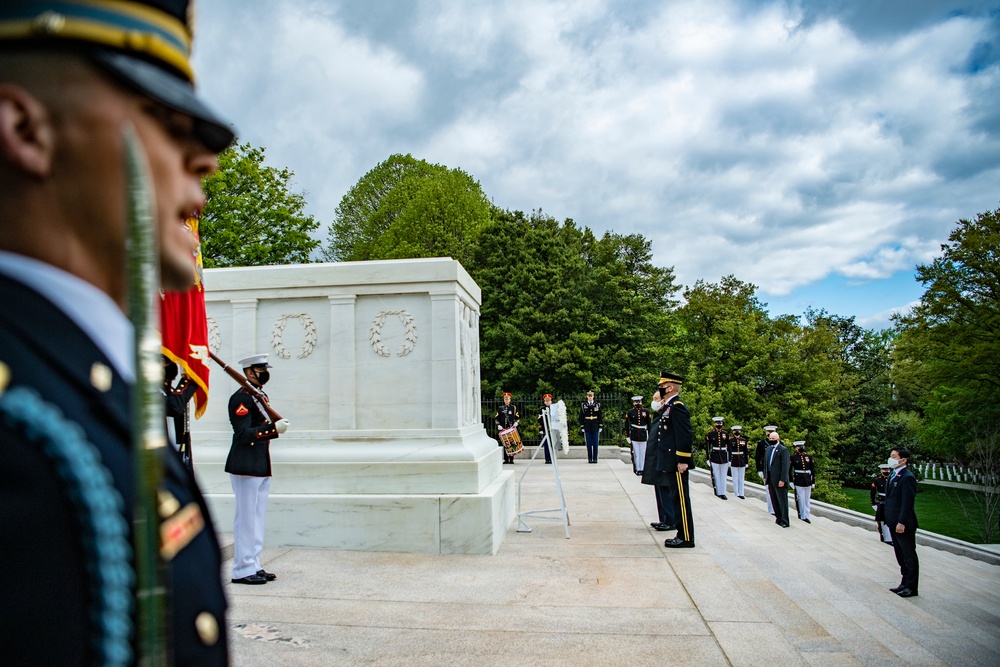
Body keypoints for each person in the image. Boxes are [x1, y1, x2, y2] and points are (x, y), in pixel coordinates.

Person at [0, 1, 235, 663]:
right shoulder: (22, 429)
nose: (207, 158)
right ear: (25, 128)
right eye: (162, 117)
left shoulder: (81, 377)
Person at [226, 354, 289, 585]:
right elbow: (242, 434)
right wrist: (273, 430)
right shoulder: (241, 398)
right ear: (249, 372)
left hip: (259, 464)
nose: (264, 372)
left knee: (257, 517)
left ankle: (253, 563)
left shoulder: (258, 395)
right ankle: (241, 569)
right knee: (246, 519)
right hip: (245, 465)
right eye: (260, 369)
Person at [655, 371, 695, 548]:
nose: (660, 389)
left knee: (681, 499)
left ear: (670, 388)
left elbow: (684, 435)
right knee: (675, 497)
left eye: (662, 387)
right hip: (670, 459)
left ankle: (686, 536)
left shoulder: (677, 406)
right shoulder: (669, 406)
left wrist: (682, 460)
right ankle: (681, 532)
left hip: (677, 461)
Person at [884, 446, 919, 598]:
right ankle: (904, 582)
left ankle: (912, 587)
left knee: (909, 555)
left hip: (902, 524)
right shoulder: (894, 474)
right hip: (893, 521)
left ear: (903, 460)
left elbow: (907, 503)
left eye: (894, 456)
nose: (891, 459)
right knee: (900, 554)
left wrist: (901, 522)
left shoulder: (907, 477)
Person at [642, 386, 675, 532]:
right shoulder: (658, 415)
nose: (653, 402)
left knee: (665, 489)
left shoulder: (667, 415)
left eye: (656, 399)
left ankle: (670, 519)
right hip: (656, 458)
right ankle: (663, 518)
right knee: (659, 489)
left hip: (664, 459)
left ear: (662, 401)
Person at [163, 355, 199, 471]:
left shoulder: (170, 392)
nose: (167, 365)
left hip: (175, 454)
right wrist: (188, 380)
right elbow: (173, 408)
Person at [764, 430, 790, 527]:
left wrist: (782, 479)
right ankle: (778, 518)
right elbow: (766, 464)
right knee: (774, 500)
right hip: (771, 478)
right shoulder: (769, 449)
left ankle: (785, 521)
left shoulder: (783, 450)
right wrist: (765, 476)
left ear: (778, 439)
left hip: (779, 480)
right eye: (770, 438)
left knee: (782, 501)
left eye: (773, 439)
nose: (771, 440)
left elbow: (785, 466)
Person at [790, 440, 815, 523]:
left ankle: (806, 515)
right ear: (796, 448)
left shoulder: (808, 456)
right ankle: (802, 515)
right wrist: (790, 481)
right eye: (799, 447)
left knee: (807, 499)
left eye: (802, 446)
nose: (801, 448)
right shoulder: (793, 457)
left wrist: (813, 481)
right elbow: (789, 470)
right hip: (799, 479)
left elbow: (812, 469)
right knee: (800, 498)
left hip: (807, 480)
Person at [625, 395, 650, 475]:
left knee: (643, 452)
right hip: (634, 433)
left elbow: (649, 424)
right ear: (633, 403)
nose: (637, 403)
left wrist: (650, 435)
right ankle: (637, 468)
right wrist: (627, 435)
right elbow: (627, 424)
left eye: (639, 402)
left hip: (643, 434)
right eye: (636, 402)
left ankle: (642, 468)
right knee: (635, 452)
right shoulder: (630, 412)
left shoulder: (646, 411)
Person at [706, 416, 730, 499]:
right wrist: (707, 458)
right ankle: (718, 492)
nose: (719, 424)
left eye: (720, 423)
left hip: (723, 455)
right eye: (717, 423)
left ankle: (723, 492)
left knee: (723, 475)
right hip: (715, 455)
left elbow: (729, 447)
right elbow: (708, 447)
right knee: (716, 475)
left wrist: (729, 459)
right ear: (714, 424)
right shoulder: (711, 434)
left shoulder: (726, 434)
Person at [755, 425, 778, 515]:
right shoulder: (762, 443)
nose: (770, 433)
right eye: (769, 432)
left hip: (776, 470)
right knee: (768, 490)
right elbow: (758, 458)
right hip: (766, 469)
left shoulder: (780, 444)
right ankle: (771, 509)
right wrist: (759, 470)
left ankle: (776, 508)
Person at [870, 463, 894, 544]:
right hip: (882, 502)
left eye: (887, 469)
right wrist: (873, 503)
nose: (885, 471)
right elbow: (873, 492)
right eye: (884, 470)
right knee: (882, 521)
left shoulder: (893, 479)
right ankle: (885, 538)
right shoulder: (877, 480)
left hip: (891, 502)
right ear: (881, 470)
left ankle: (891, 538)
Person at [494, 391, 519, 464]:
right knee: (505, 444)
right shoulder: (500, 408)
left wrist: (516, 422)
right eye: (505, 399)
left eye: (508, 399)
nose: (506, 401)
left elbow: (518, 417)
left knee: (511, 443)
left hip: (510, 428)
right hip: (503, 429)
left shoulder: (513, 408)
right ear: (504, 400)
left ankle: (511, 459)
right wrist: (498, 425)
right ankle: (506, 459)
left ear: (510, 399)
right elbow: (496, 418)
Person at [580, 389, 603, 463]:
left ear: (593, 397)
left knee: (595, 443)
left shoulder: (597, 405)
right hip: (587, 425)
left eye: (591, 396)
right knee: (589, 443)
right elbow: (581, 416)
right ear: (587, 397)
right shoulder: (584, 405)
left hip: (595, 425)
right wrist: (582, 426)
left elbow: (600, 415)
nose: (590, 397)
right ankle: (590, 458)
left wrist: (600, 425)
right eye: (589, 396)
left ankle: (595, 458)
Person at [728, 425, 749, 499]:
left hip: (742, 460)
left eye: (738, 431)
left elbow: (746, 452)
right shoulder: (730, 440)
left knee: (741, 478)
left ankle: (741, 493)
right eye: (735, 431)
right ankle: (736, 492)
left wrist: (746, 462)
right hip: (734, 460)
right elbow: (729, 451)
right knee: (735, 477)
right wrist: (729, 460)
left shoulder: (743, 440)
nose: (736, 432)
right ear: (733, 432)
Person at [537, 393, 555, 463]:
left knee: (552, 444)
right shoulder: (542, 409)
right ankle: (547, 459)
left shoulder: (554, 408)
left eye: (549, 401)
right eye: (546, 401)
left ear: (551, 401)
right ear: (544, 402)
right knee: (546, 445)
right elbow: (539, 420)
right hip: (545, 429)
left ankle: (552, 458)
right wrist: (540, 429)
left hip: (552, 429)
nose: (547, 402)